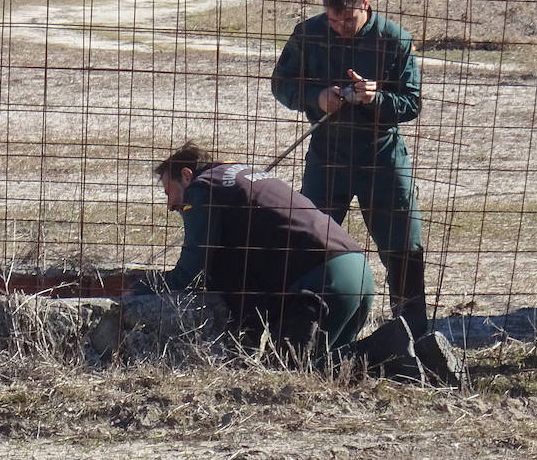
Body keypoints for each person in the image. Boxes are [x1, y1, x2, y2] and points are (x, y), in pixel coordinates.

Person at [270, 0, 428, 339]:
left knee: (404, 249)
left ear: (366, 6)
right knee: (309, 246)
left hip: (383, 157)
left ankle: (411, 334)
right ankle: (305, 333)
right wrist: (317, 97)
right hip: (328, 155)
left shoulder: (395, 40)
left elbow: (411, 103)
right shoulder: (307, 34)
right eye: (333, 19)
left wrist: (377, 99)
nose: (340, 26)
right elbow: (281, 83)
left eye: (348, 19)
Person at [128, 142, 374, 355]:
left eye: (169, 191)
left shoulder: (202, 188)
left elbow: (194, 269)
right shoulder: (237, 177)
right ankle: (395, 351)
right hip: (358, 271)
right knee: (335, 370)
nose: (171, 205)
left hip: (323, 282)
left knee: (296, 376)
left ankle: (396, 354)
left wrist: (143, 287)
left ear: (186, 175)